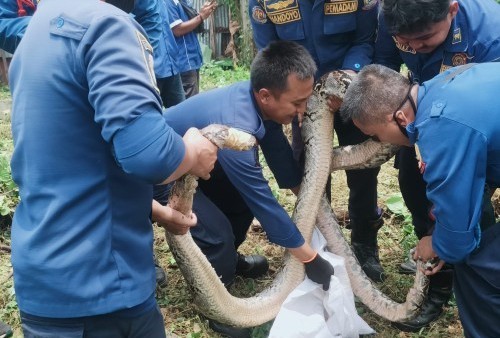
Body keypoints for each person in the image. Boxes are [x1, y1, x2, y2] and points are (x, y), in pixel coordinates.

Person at [8, 0, 218, 337]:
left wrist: (151, 209)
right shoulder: (107, 25)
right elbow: (149, 154)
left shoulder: (39, 28)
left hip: (45, 283)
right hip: (101, 289)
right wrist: (193, 152)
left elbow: (68, 158)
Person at [161, 40, 335, 338]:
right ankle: (215, 299)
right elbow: (263, 202)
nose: (302, 110)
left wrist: (313, 207)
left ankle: (227, 260)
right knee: (215, 234)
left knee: (238, 203)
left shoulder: (256, 102)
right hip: (159, 178)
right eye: (296, 103)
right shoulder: (236, 123)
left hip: (194, 167)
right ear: (266, 96)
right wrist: (309, 257)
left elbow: (279, 155)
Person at [340, 62, 500, 338]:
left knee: (476, 267)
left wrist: (439, 244)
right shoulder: (438, 87)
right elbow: (465, 191)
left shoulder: (440, 129)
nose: (379, 142)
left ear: (400, 118)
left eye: (375, 135)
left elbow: (459, 240)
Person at [374, 0, 500, 331]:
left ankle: (476, 270)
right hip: (417, 110)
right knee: (414, 189)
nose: (414, 48)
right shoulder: (392, 12)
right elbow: (383, 67)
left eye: (426, 39)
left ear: (453, 11)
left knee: (471, 208)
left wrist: (451, 233)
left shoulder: (490, 31)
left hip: (469, 129)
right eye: (406, 40)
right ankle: (438, 281)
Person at [248, 0, 385, 283]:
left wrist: (348, 75)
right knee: (312, 170)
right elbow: (269, 51)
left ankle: (364, 243)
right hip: (301, 99)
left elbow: (363, 40)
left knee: (363, 170)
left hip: (350, 91)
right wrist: (296, 97)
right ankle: (323, 242)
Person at [166, 0, 216, 98]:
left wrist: (202, 12)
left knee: (193, 98)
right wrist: (201, 16)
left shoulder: (184, 1)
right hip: (184, 61)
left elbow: (192, 24)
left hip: (192, 58)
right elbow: (177, 29)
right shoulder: (169, 2)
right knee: (190, 102)